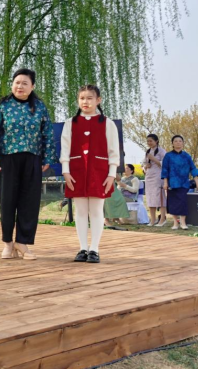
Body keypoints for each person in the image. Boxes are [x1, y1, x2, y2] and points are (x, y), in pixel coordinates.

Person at [0, 68, 56, 260]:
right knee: (7, 201)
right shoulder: (2, 106)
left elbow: (47, 132)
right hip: (7, 158)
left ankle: (22, 242)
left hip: (33, 158)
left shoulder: (39, 107)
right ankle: (8, 243)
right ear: (12, 84)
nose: (20, 86)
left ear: (32, 87)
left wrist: (47, 158)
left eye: (24, 83)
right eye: (17, 82)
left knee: (29, 202)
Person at [60, 84, 120, 264]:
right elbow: (65, 148)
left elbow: (113, 150)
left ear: (98, 100)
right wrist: (65, 170)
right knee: (80, 210)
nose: (85, 102)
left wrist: (111, 174)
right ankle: (82, 248)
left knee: (96, 210)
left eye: (89, 98)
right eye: (82, 98)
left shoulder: (107, 123)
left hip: (98, 171)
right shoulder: (70, 123)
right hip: (76, 171)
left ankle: (94, 248)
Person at [161, 135, 198, 230]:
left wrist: (197, 183)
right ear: (172, 143)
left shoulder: (187, 156)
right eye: (176, 141)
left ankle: (183, 222)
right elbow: (165, 170)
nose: (178, 143)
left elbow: (193, 169)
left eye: (180, 141)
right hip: (172, 183)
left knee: (183, 202)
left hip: (184, 183)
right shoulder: (168, 156)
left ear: (183, 143)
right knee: (173, 203)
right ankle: (175, 223)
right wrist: (165, 183)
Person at [143, 134, 168, 226]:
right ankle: (152, 220)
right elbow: (143, 164)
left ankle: (162, 219)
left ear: (156, 141)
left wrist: (154, 159)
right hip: (149, 176)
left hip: (158, 176)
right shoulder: (148, 151)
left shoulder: (162, 151)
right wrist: (145, 166)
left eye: (151, 141)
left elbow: (166, 164)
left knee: (160, 198)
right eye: (148, 141)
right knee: (150, 198)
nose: (149, 143)